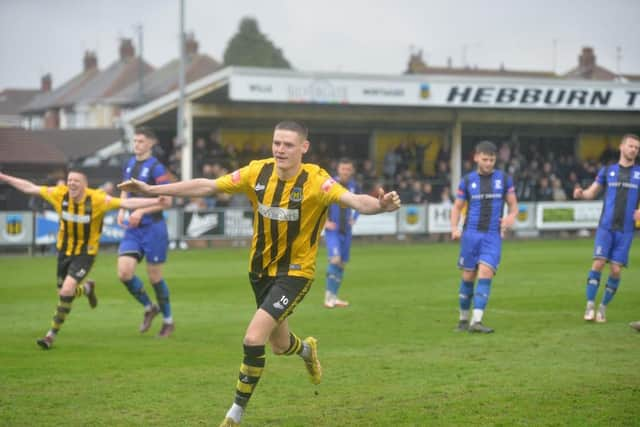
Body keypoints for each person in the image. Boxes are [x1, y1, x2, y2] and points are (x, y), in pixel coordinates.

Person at [118, 120, 401, 426]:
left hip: (296, 273)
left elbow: (355, 201)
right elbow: (207, 185)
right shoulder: (257, 171)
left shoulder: (317, 180)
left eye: (288, 144)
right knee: (279, 346)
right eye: (277, 143)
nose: (280, 149)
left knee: (253, 339)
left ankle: (235, 413)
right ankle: (306, 349)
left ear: (303, 148)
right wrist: (151, 188)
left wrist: (382, 206)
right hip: (260, 271)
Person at [0, 170, 164, 350]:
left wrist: (155, 200)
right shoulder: (59, 193)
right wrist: (4, 177)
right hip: (64, 252)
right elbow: (30, 188)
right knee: (64, 292)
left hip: (86, 253)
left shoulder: (97, 199)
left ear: (85, 185)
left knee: (67, 290)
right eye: (70, 180)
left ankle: (50, 335)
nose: (71, 183)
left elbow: (126, 202)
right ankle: (87, 288)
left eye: (76, 181)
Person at [450, 141, 518, 334]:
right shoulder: (467, 180)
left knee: (486, 273)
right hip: (471, 234)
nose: (488, 163)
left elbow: (514, 206)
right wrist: (454, 228)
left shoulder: (504, 179)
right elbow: (457, 207)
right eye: (485, 159)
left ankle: (476, 321)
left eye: (492, 160)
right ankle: (463, 319)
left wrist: (510, 218)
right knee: (468, 276)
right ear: (476, 157)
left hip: (492, 235)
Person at [573, 134, 640, 323]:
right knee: (599, 263)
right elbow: (591, 192)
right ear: (621, 147)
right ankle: (590, 306)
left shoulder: (639, 173)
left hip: (626, 230)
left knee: (616, 271)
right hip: (606, 227)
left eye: (636, 147)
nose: (633, 150)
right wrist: (581, 193)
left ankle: (603, 308)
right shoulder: (607, 171)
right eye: (630, 146)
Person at [117, 126, 174, 337]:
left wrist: (141, 210)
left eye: (141, 141)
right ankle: (150, 307)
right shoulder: (129, 164)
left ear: (151, 143)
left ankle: (168, 321)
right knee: (124, 273)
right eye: (135, 141)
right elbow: (124, 190)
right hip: (133, 229)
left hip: (154, 228)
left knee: (155, 277)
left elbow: (166, 201)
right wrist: (122, 209)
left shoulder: (157, 168)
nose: (136, 144)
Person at [323, 158, 360, 308]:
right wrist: (324, 221)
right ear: (338, 169)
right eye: (343, 169)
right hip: (333, 230)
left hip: (347, 231)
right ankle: (328, 298)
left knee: (342, 264)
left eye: (348, 169)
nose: (345, 171)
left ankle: (334, 296)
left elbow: (359, 203)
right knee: (335, 260)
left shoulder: (353, 186)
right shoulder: (330, 184)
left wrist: (355, 218)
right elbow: (320, 202)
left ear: (352, 171)